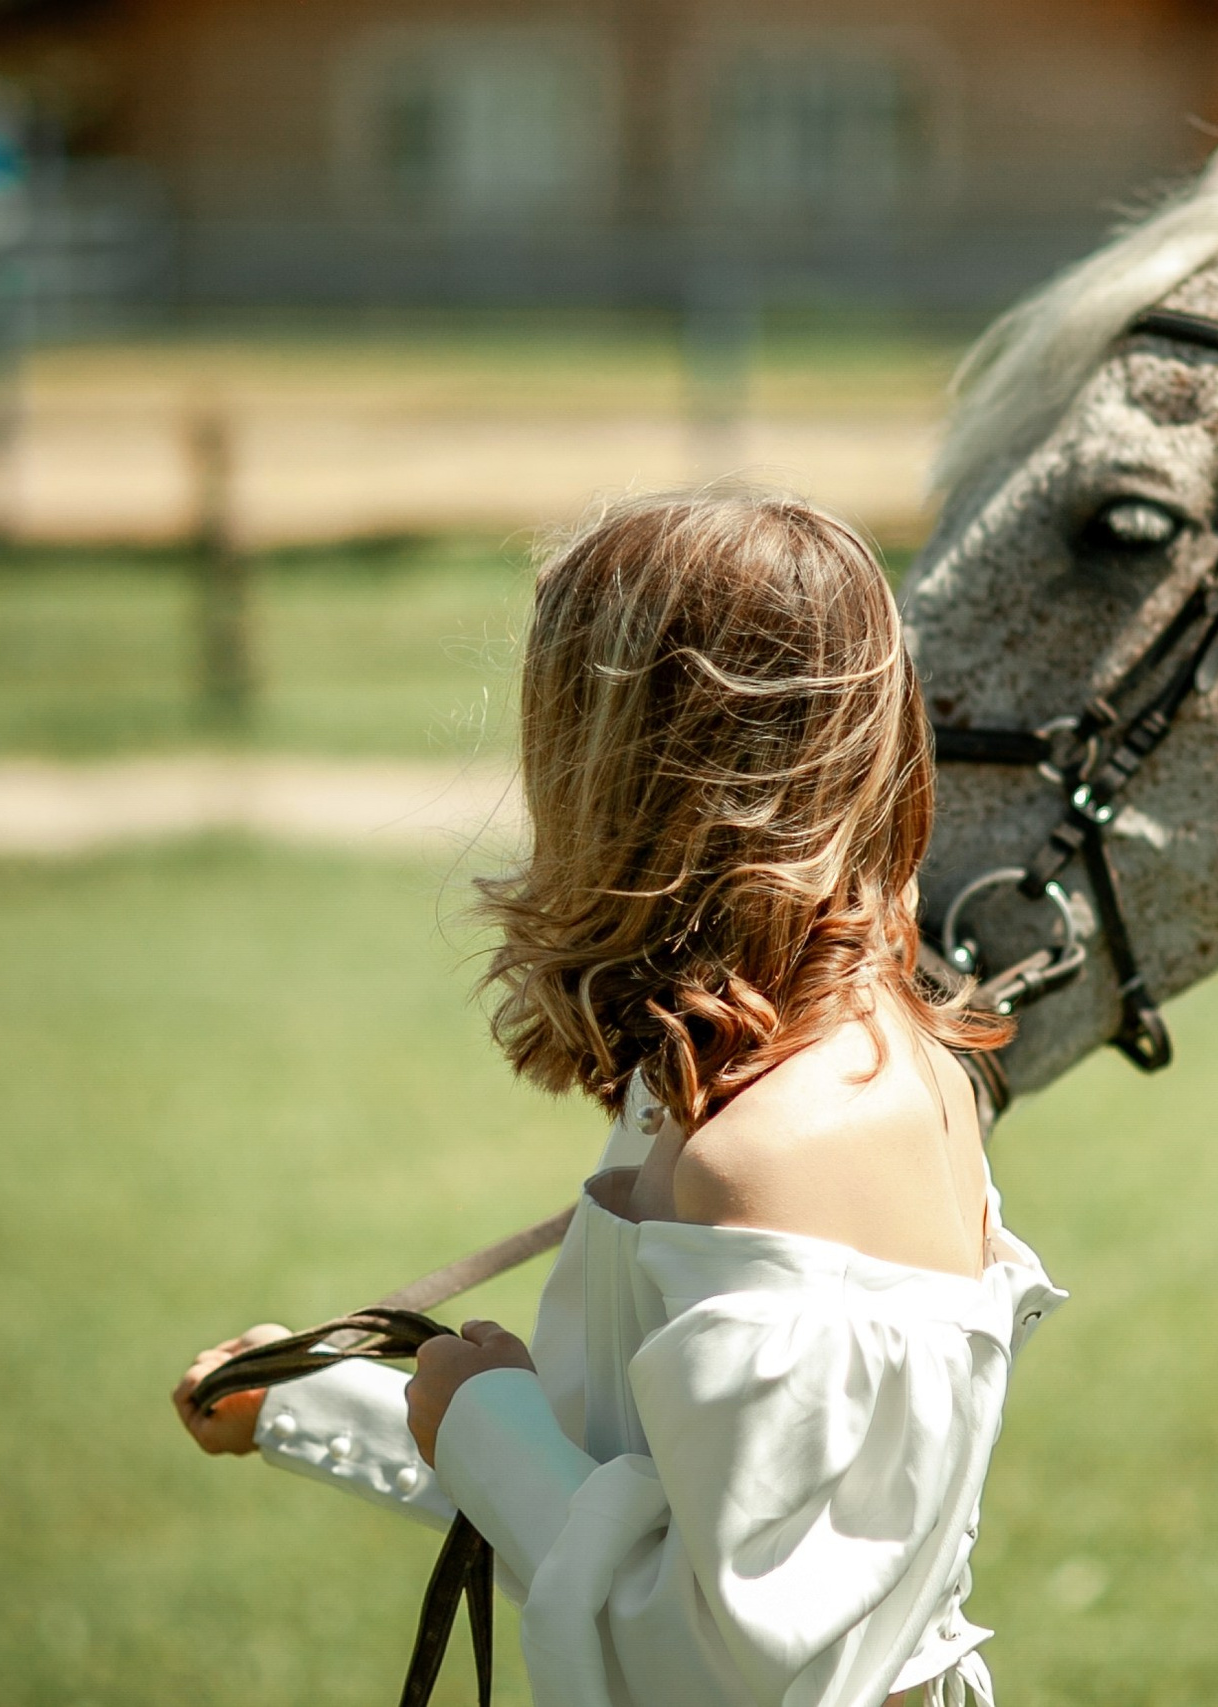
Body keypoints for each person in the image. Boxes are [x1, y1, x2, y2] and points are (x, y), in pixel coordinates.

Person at [172, 490, 1063, 1707]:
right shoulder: (771, 1075)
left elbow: (716, 1664)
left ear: (628, 768)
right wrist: (309, 1405)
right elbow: (622, 1499)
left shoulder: (771, 1150)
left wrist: (484, 1423)